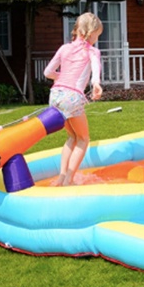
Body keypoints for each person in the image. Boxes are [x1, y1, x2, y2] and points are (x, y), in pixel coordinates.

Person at [44, 12, 103, 187]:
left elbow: (47, 73)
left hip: (55, 95)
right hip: (72, 96)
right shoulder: (92, 51)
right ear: (90, 33)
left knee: (71, 137)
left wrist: (62, 77)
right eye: (97, 36)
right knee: (83, 139)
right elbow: (95, 70)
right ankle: (69, 179)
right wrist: (96, 84)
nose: (96, 39)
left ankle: (61, 177)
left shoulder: (64, 48)